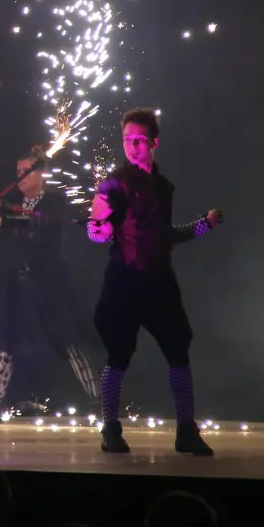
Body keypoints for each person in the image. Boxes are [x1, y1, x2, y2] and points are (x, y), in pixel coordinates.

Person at [85, 108, 222, 456]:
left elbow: (164, 236)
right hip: (124, 283)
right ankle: (110, 428)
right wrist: (97, 226)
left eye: (138, 140)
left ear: (153, 142)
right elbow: (99, 232)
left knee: (178, 354)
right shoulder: (114, 184)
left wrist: (205, 225)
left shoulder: (162, 187)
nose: (131, 147)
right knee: (118, 356)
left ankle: (186, 430)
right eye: (127, 140)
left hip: (159, 282)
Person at [0, 144, 101, 414]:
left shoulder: (54, 201)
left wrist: (2, 221)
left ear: (41, 174)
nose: (21, 177)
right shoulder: (12, 206)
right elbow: (0, 221)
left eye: (27, 172)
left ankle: (98, 399)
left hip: (48, 282)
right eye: (18, 172)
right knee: (4, 339)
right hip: (17, 281)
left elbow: (37, 221)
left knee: (69, 338)